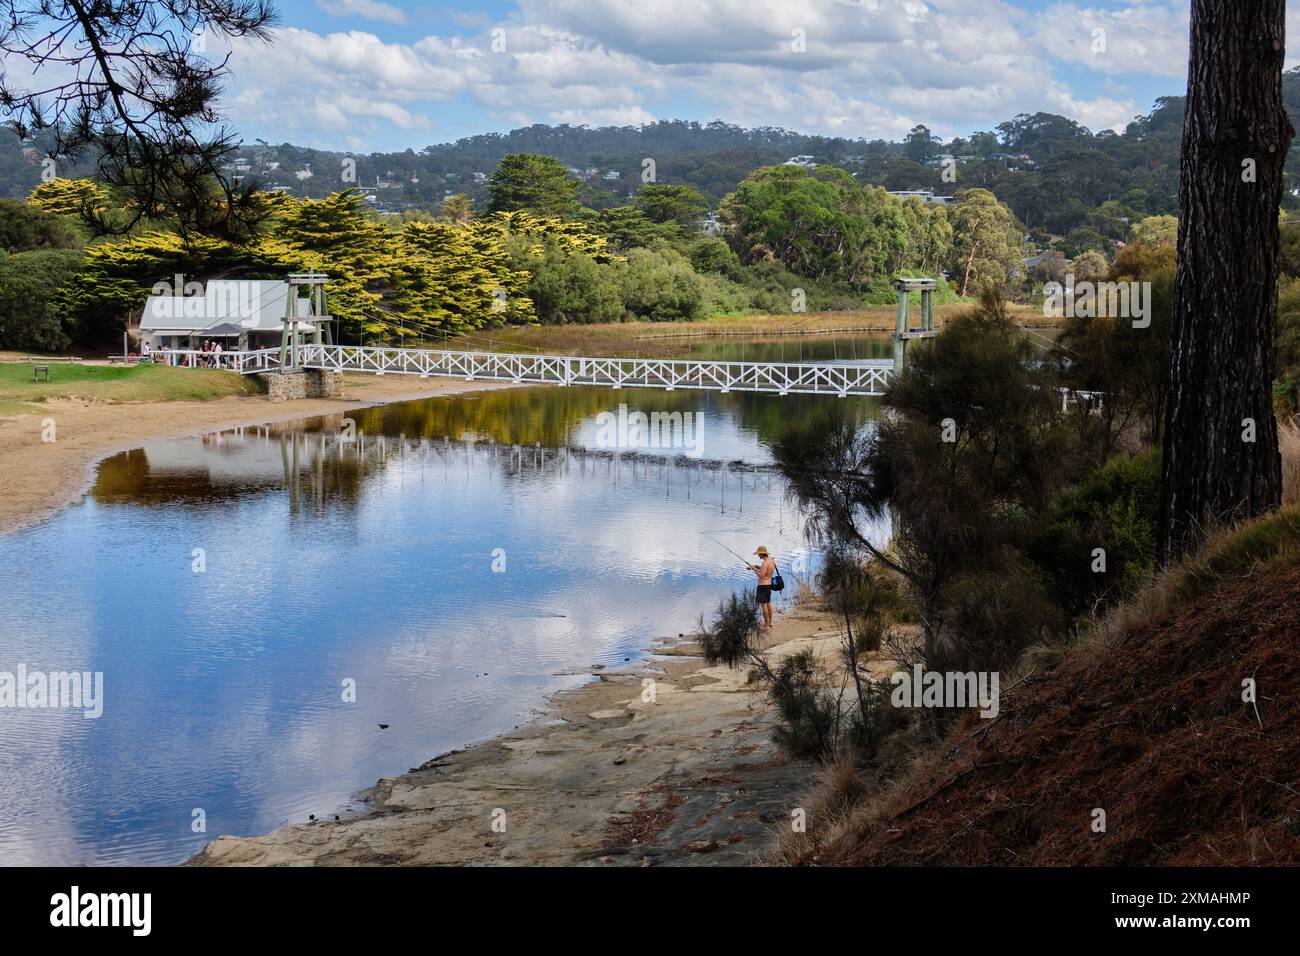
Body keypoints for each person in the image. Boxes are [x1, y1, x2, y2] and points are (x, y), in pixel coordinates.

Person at [747, 545, 777, 631]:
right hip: (768, 585)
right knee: (768, 603)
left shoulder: (765, 563)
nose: (758, 555)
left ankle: (766, 625)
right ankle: (770, 623)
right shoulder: (771, 561)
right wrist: (756, 566)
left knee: (764, 605)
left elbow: (762, 575)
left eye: (759, 554)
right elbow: (766, 571)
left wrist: (754, 569)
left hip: (763, 586)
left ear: (762, 554)